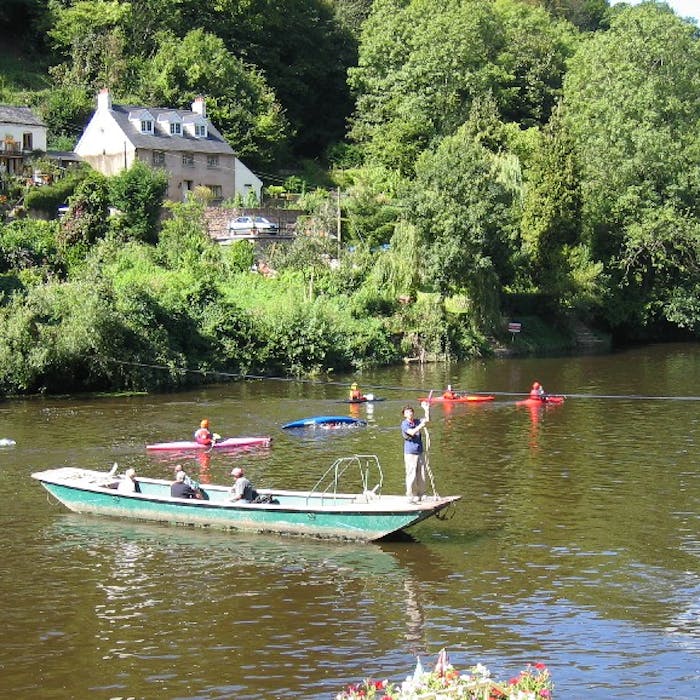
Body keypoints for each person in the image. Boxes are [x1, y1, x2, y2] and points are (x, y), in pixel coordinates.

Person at [401, 405, 428, 502]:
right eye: (407, 412)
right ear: (404, 415)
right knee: (411, 474)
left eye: (411, 411)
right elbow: (411, 432)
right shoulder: (404, 424)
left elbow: (427, 420)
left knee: (421, 474)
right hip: (410, 453)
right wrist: (421, 426)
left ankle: (421, 493)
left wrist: (426, 409)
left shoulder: (416, 421)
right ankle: (410, 495)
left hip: (419, 451)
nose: (410, 413)